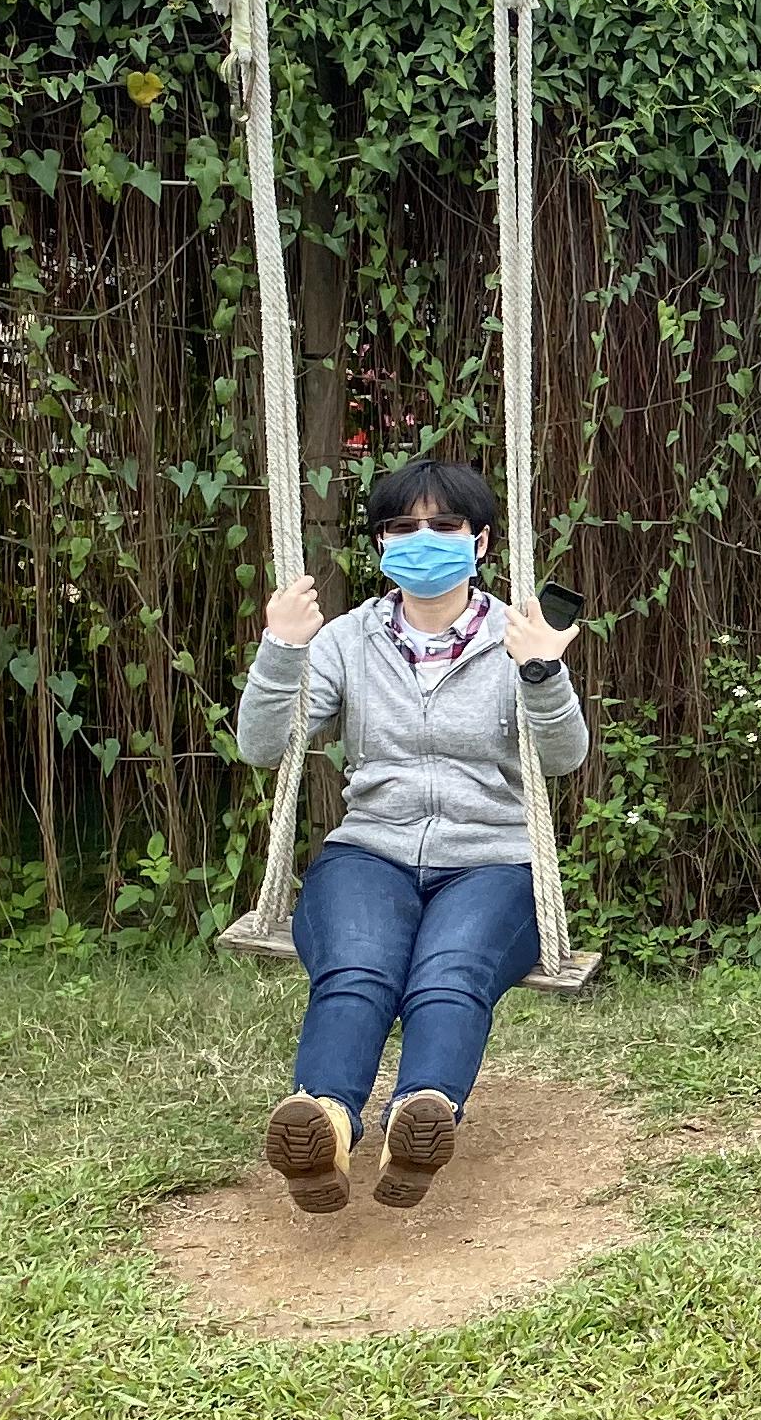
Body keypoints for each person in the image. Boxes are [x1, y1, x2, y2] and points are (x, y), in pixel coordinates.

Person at [237, 458, 592, 1214]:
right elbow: (263, 747)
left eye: (444, 525)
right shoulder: (344, 640)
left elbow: (564, 758)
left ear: (482, 542)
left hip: (492, 858)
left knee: (450, 971)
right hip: (371, 849)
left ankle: (419, 1118)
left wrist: (540, 674)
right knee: (359, 968)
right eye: (403, 526)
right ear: (381, 545)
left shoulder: (515, 637)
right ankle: (324, 1124)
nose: (422, 539)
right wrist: (281, 650)